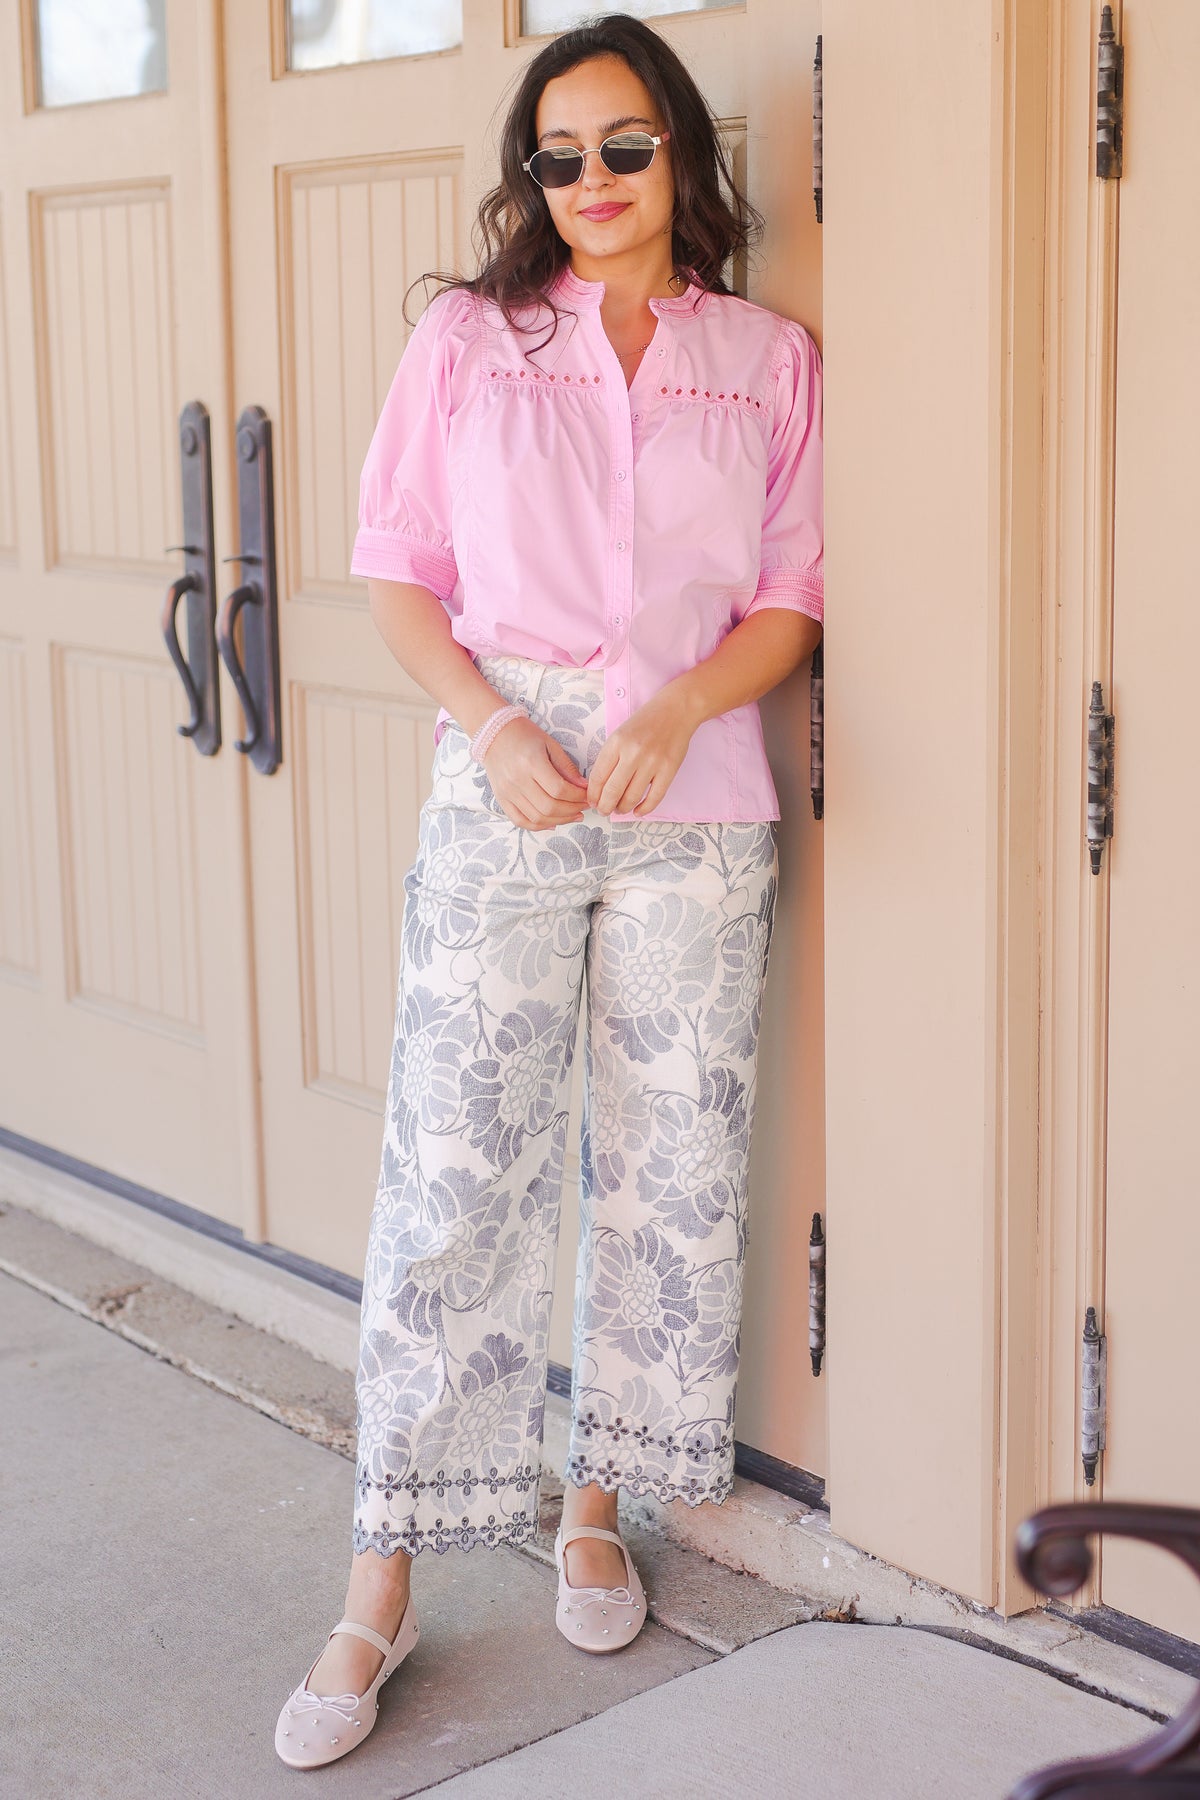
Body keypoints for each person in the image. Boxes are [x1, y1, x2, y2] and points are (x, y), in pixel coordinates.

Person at [275, 11, 822, 1771]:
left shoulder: (766, 358)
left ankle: (600, 1503)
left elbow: (790, 594)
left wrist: (679, 703)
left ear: (682, 152)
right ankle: (381, 1581)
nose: (590, 182)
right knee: (456, 1161)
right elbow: (396, 570)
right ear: (535, 178)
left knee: (667, 1162)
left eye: (625, 146)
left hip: (699, 782)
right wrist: (498, 725)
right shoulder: (467, 341)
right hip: (505, 772)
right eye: (559, 155)